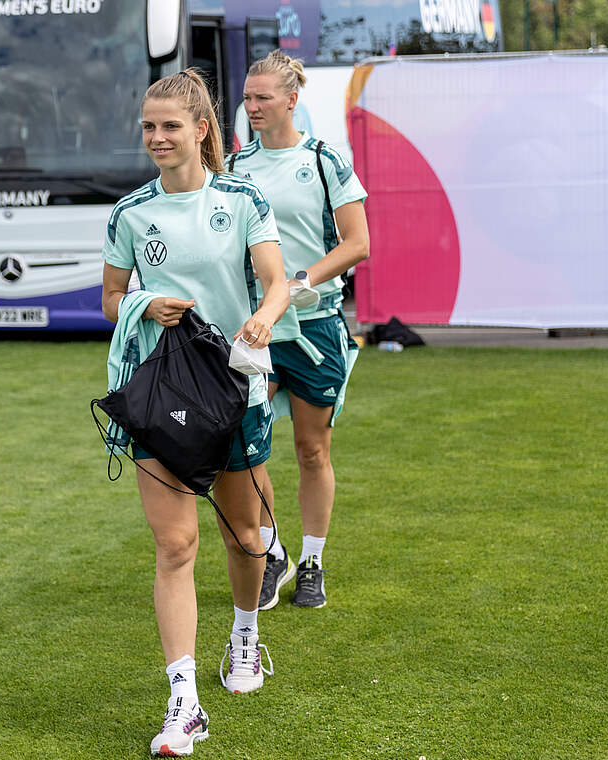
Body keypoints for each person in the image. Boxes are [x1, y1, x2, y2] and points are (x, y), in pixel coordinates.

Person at [101, 68, 290, 757]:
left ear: (201, 129)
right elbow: (109, 300)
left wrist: (263, 320)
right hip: (161, 396)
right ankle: (183, 700)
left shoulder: (241, 199)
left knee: (245, 536)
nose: (157, 137)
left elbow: (276, 282)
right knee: (176, 545)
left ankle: (245, 636)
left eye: (170, 126)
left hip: (234, 392)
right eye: (148, 126)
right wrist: (142, 303)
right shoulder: (129, 213)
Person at [230, 51, 370, 609]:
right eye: (247, 97)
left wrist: (299, 282)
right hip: (258, 331)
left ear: (292, 100)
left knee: (312, 450)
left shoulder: (324, 159)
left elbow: (358, 243)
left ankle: (312, 562)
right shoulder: (235, 166)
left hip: (314, 327)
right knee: (247, 451)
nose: (252, 106)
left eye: (262, 97)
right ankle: (272, 552)